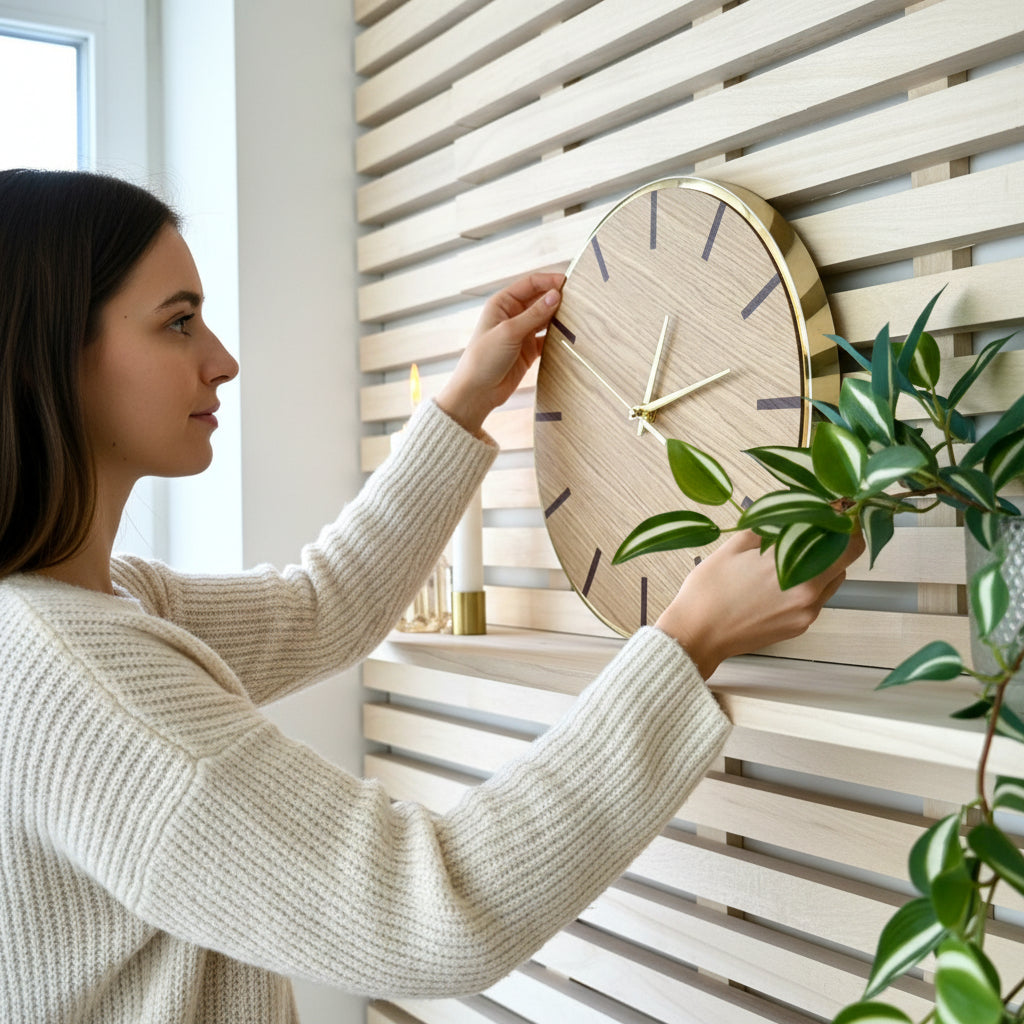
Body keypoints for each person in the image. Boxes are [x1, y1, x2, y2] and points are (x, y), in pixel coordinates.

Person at [0, 168, 862, 1024]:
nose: (221, 360)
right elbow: (430, 915)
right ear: (47, 352)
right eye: (178, 322)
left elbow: (323, 606)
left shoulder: (85, 615)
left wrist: (466, 399)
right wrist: (689, 640)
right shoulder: (77, 682)